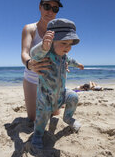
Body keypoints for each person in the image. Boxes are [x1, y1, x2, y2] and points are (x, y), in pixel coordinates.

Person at [30, 18, 84, 149]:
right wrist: (43, 46)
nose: (68, 47)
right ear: (52, 42)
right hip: (46, 98)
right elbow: (33, 55)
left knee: (74, 97)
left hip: (61, 94)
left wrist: (78, 65)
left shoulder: (64, 56)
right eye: (64, 43)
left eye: (70, 44)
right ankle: (37, 135)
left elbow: (70, 60)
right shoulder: (45, 54)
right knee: (41, 118)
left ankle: (68, 118)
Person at [21, 0, 63, 124]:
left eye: (54, 8)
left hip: (52, 82)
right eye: (47, 6)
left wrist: (63, 63)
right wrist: (30, 64)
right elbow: (24, 53)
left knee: (55, 115)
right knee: (34, 119)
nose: (50, 11)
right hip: (32, 79)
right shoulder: (30, 29)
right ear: (40, 7)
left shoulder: (58, 32)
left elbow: (61, 52)